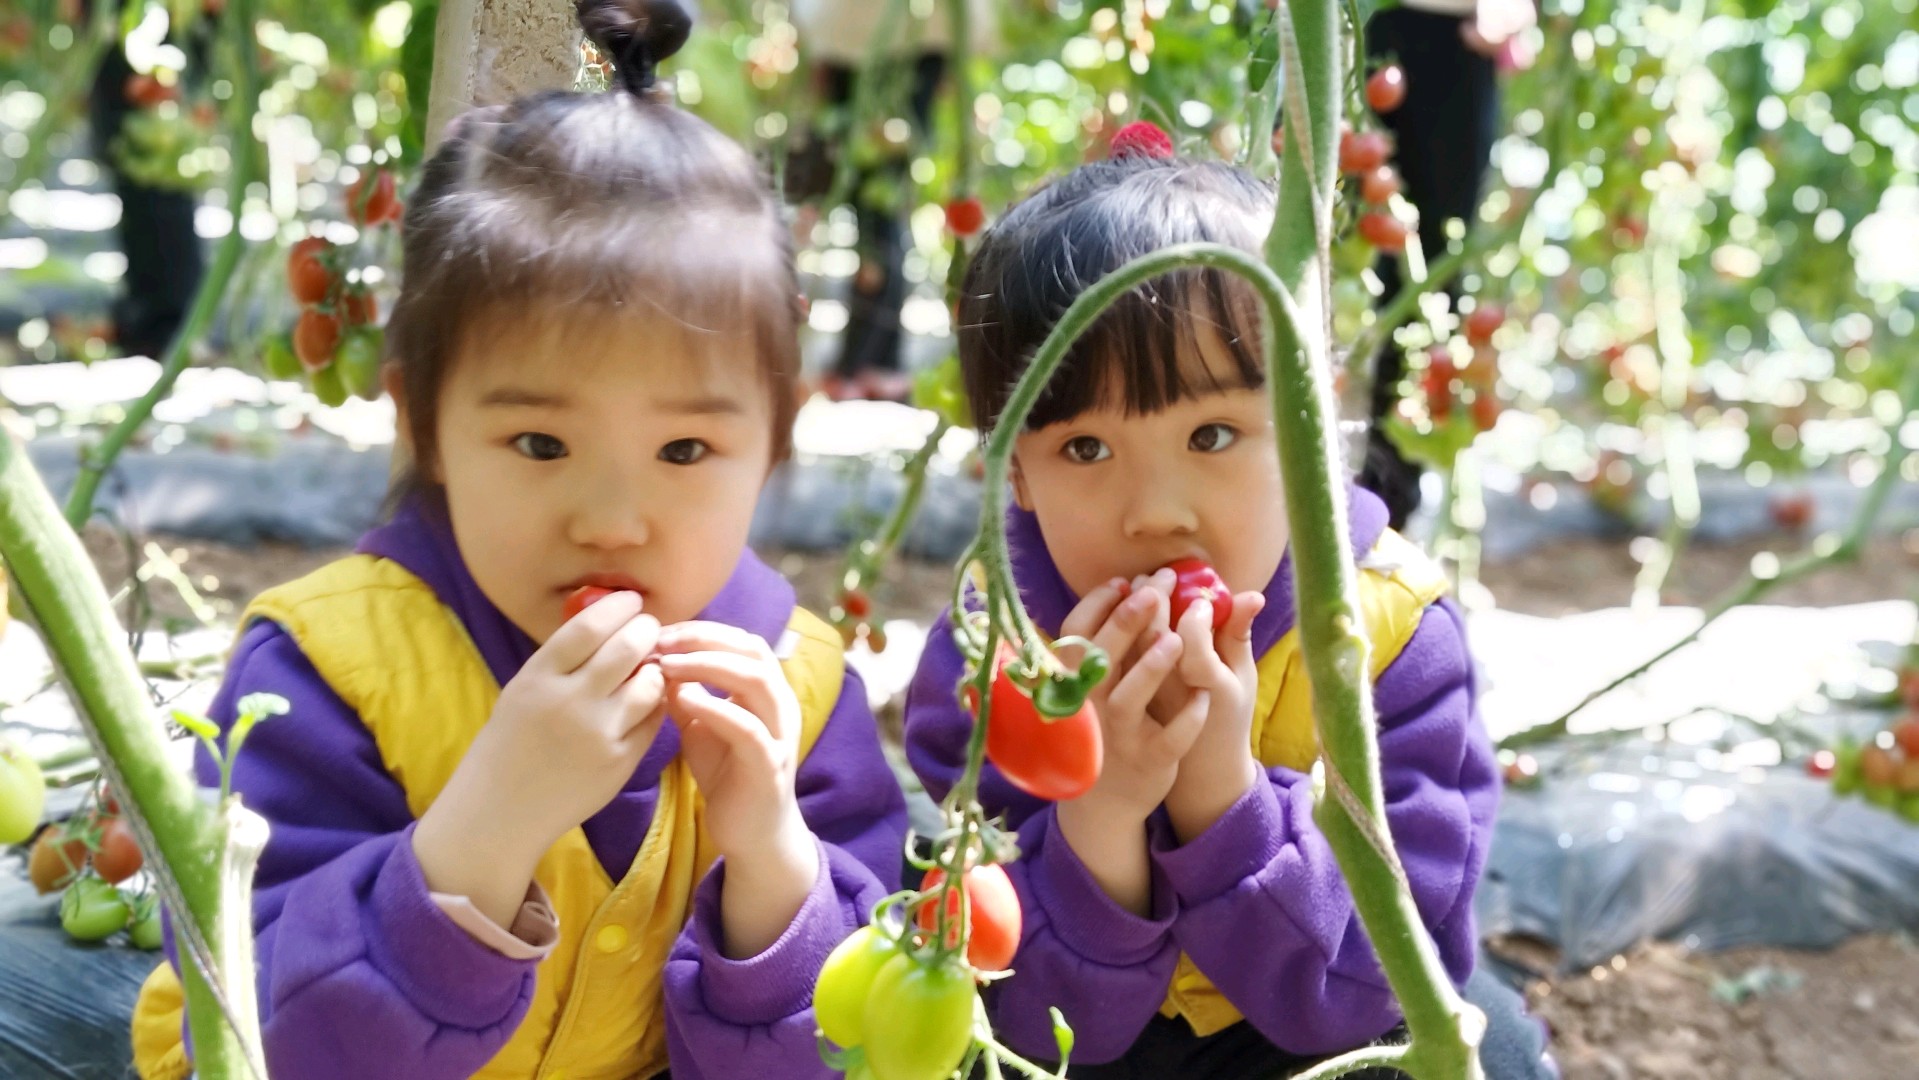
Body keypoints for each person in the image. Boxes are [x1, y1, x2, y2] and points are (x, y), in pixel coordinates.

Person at [127, 2, 905, 1077]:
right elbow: (262, 1033)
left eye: (684, 450)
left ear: (773, 442)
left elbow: (860, 1040)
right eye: (540, 443)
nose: (610, 520)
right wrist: (488, 824)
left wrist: (772, 860)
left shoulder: (797, 692)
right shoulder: (330, 673)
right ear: (423, 425)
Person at [904, 147, 1556, 1079]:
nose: (1155, 512)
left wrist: (1221, 794)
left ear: (1309, 418)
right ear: (1016, 473)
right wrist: (1103, 809)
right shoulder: (995, 650)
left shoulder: (1390, 637)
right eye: (1084, 448)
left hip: (1309, 1032)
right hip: (1093, 1036)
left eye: (1211, 434)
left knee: (1488, 1048)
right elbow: (1033, 1014)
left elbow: (1375, 981)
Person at [1359, 0, 1538, 529]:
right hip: (1354, 23)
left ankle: (1388, 501)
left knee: (1434, 263)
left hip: (1453, 32)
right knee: (1334, 238)